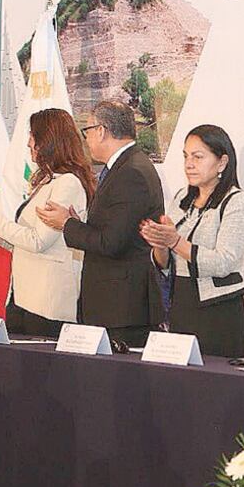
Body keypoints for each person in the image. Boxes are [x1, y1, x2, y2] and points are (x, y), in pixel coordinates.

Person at [36, 100, 164, 347]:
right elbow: (113, 227)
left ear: (101, 130)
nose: (86, 139)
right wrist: (77, 222)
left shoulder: (131, 173)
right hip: (114, 304)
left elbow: (111, 243)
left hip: (121, 307)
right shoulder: (125, 166)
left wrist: (67, 224)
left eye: (88, 131)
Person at [0, 108, 94, 338]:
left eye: (33, 136)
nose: (29, 143)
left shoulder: (68, 184)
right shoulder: (46, 181)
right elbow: (18, 242)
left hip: (46, 304)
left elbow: (37, 241)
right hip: (22, 297)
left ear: (48, 141)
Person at [139, 124, 244, 357]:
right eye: (185, 156)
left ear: (222, 162)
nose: (189, 164)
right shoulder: (182, 197)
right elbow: (165, 264)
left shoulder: (237, 202)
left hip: (218, 311)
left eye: (198, 157)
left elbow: (224, 263)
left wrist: (174, 241)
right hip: (181, 303)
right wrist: (160, 244)